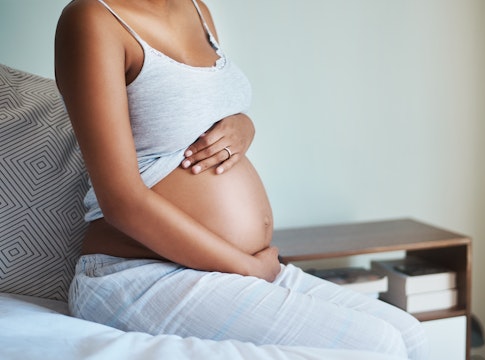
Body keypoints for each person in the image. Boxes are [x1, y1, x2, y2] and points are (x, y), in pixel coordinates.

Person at [55, 0, 428, 358]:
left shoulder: (198, 10)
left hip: (225, 267)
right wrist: (246, 268)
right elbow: (121, 201)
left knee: (410, 334)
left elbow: (201, 113)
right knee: (380, 347)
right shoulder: (92, 18)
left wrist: (244, 127)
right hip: (140, 275)